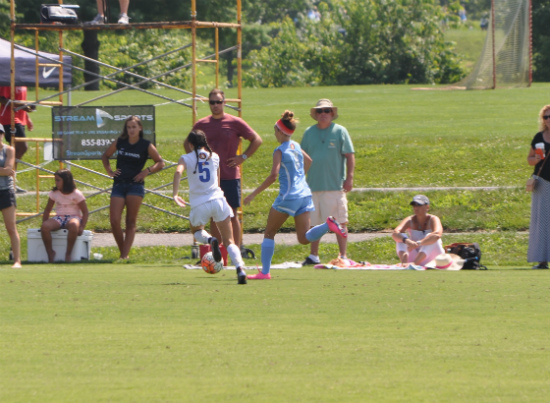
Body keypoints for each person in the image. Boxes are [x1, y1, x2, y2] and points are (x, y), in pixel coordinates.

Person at [244, 111, 347, 280]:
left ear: (281, 131)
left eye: (275, 130)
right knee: (304, 238)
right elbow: (309, 161)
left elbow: (273, 176)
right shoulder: (296, 146)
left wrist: (253, 194)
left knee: (269, 233)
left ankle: (264, 272)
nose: (274, 133)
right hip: (304, 195)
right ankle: (328, 225)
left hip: (288, 197)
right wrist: (300, 179)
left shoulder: (279, 151)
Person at [186, 88, 262, 248]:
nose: (215, 105)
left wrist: (243, 157)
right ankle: (218, 251)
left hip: (230, 175)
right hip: (211, 179)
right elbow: (187, 144)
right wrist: (196, 160)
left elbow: (256, 139)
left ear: (224, 103)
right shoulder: (202, 124)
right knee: (214, 216)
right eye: (212, 102)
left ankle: (236, 248)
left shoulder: (234, 122)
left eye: (218, 102)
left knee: (231, 214)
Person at [174, 130, 248, 284]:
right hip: (218, 200)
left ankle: (210, 239)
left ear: (190, 144)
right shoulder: (214, 156)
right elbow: (218, 180)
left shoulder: (186, 158)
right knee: (229, 241)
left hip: (200, 203)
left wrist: (175, 194)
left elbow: (178, 171)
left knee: (197, 231)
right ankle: (240, 269)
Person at [300, 99, 355, 265]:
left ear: (332, 113)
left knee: (340, 221)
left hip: (334, 186)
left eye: (326, 111)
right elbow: (301, 157)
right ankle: (314, 255)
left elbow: (350, 155)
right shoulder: (309, 133)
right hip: (312, 186)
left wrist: (349, 177)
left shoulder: (340, 132)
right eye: (320, 111)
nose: (323, 114)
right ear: (316, 115)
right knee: (314, 223)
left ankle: (343, 255)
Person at [101, 115, 164, 259]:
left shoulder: (146, 144)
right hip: (119, 184)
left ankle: (124, 256)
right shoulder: (120, 142)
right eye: (129, 127)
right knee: (114, 220)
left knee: (130, 221)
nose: (131, 130)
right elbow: (105, 156)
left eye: (134, 127)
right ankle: (124, 252)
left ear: (140, 128)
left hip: (135, 186)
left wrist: (146, 171)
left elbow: (160, 162)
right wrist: (109, 171)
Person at [41, 169, 89, 263]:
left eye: (58, 180)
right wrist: (44, 222)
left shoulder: (76, 193)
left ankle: (68, 253)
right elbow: (47, 210)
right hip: (59, 217)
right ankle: (50, 253)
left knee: (74, 225)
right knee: (45, 227)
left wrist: (82, 226)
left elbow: (85, 211)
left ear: (66, 181)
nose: (56, 183)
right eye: (55, 180)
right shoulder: (54, 193)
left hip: (73, 217)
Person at [527, 105, 550, 269]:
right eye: (546, 117)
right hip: (542, 182)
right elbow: (529, 160)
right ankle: (542, 260)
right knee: (542, 222)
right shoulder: (539, 137)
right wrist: (536, 158)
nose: (549, 120)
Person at [392, 195, 444, 267]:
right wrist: (406, 241)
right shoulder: (410, 219)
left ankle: (415, 264)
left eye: (419, 205)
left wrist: (418, 243)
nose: (416, 208)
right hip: (414, 255)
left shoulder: (433, 219)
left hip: (433, 258)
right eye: (414, 205)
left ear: (427, 207)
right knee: (401, 236)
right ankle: (404, 263)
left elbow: (437, 234)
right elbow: (395, 233)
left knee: (431, 236)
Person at [0, 86, 33, 193]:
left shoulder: (23, 83)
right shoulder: (9, 79)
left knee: (15, 150)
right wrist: (21, 106)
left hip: (20, 119)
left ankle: (10, 179)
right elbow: (2, 99)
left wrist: (27, 118)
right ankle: (9, 177)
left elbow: (22, 102)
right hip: (9, 118)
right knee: (22, 147)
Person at [0, 124, 21, 268]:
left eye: (0, 133)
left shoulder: (9, 150)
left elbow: (8, 169)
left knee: (11, 227)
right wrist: (4, 171)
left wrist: (6, 171)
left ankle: (17, 261)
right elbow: (5, 171)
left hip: (5, 191)